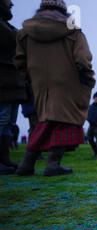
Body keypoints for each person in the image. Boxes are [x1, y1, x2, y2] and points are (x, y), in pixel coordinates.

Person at [15, 0, 95, 176]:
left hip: (39, 84)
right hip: (68, 83)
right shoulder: (73, 32)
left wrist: (30, 78)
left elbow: (20, 61)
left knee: (43, 122)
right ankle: (52, 164)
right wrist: (88, 80)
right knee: (63, 122)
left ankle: (27, 164)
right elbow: (83, 59)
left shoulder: (24, 34)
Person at [0, 0, 28, 175]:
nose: (11, 4)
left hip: (12, 81)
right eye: (7, 0)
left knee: (9, 122)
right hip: (4, 80)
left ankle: (4, 159)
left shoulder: (6, 25)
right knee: (2, 120)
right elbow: (14, 41)